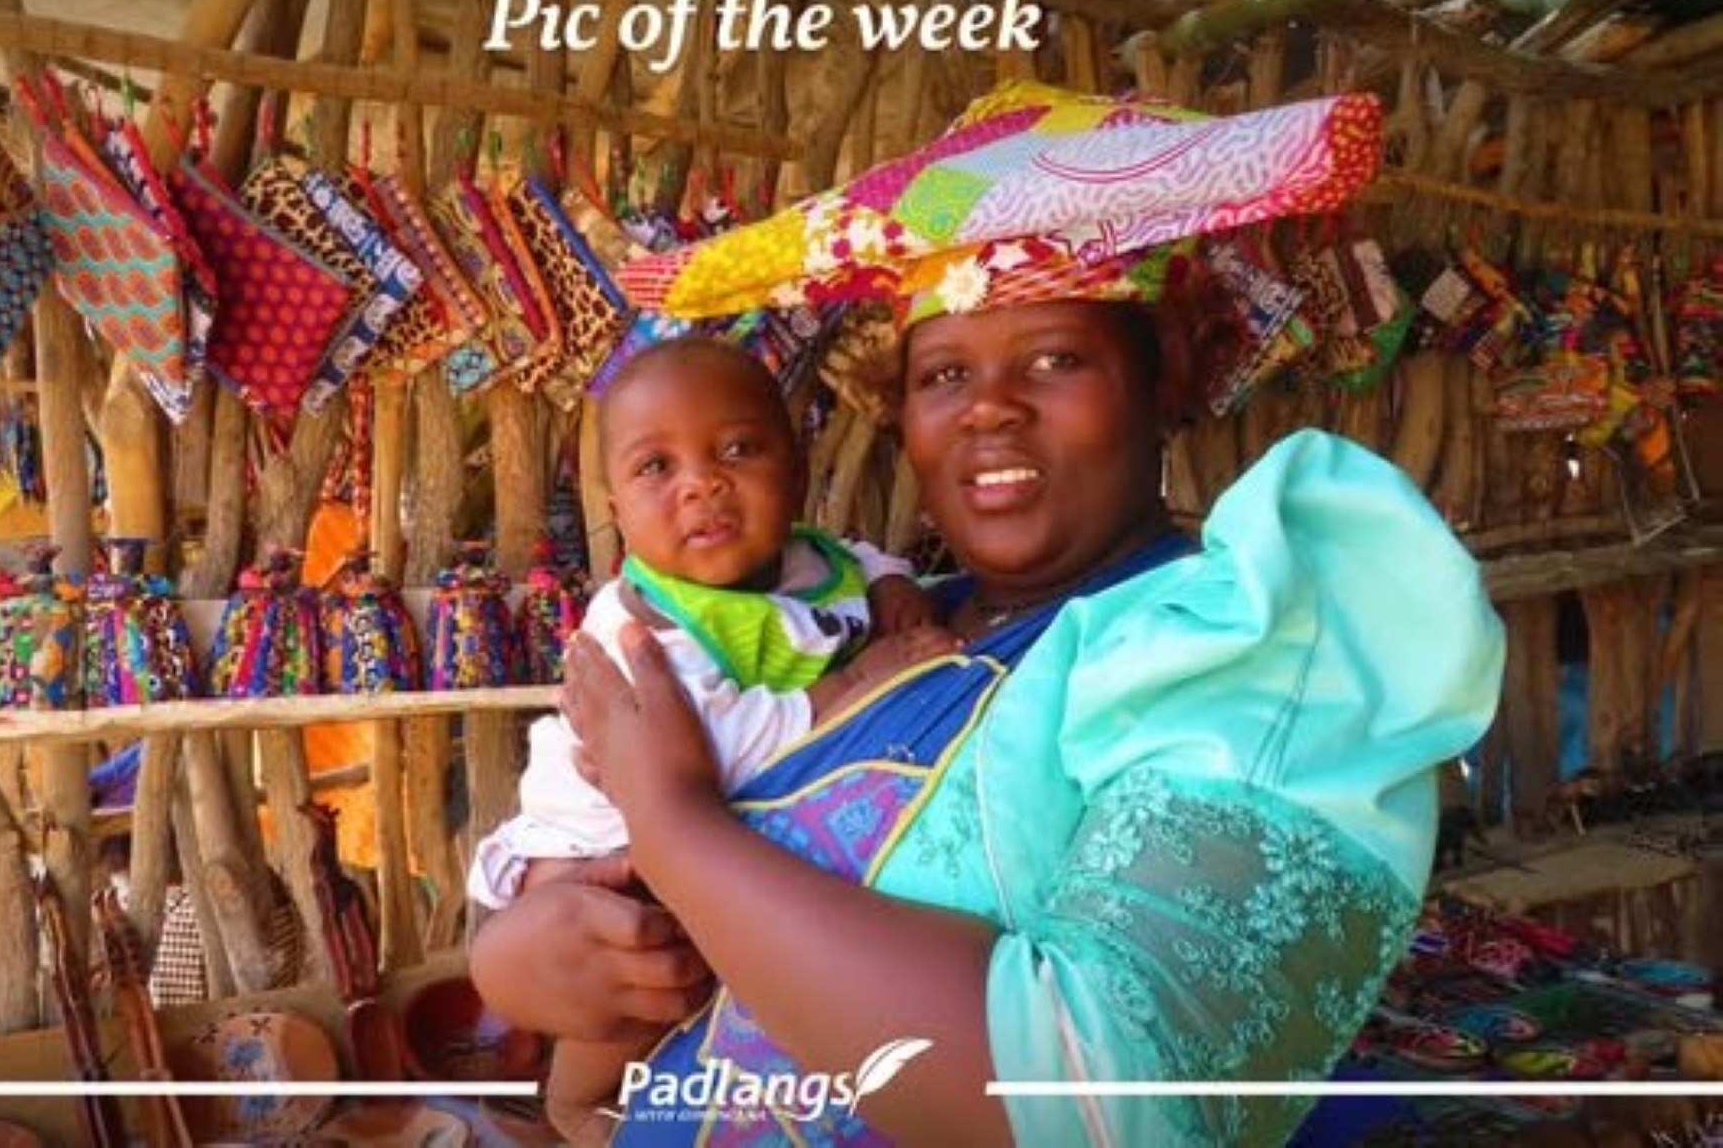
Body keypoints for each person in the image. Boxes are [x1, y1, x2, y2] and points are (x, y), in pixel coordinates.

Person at [468, 82, 1507, 1146]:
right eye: (944, 373)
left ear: (1170, 380)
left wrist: (676, 827)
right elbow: (625, 897)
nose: (989, 407)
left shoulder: (1258, 647)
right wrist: (525, 954)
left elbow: (1101, 1100)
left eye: (1055, 359)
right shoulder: (884, 629)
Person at [466, 337, 954, 1140]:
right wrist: (853, 685)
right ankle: (577, 1102)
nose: (702, 482)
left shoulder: (803, 561)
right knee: (636, 980)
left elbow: (855, 559)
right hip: (598, 845)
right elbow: (708, 741)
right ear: (617, 512)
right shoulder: (642, 623)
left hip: (687, 833)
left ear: (795, 474)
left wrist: (895, 586)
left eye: (737, 448)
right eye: (657, 467)